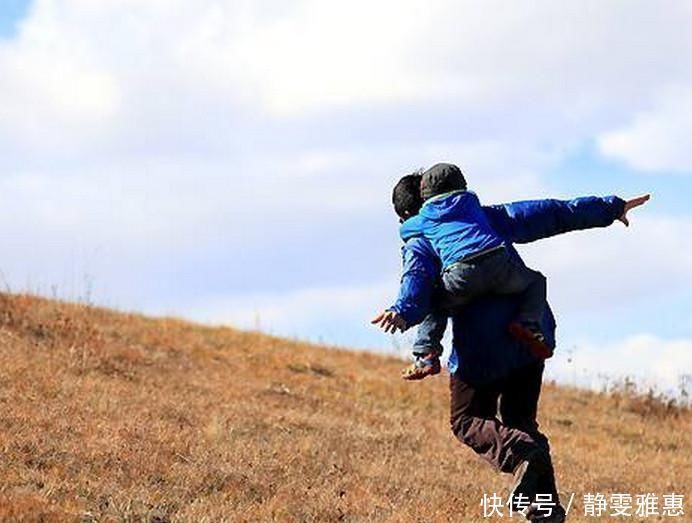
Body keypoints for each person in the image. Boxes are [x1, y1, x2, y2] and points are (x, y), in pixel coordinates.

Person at [372, 173, 650, 521]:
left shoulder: (419, 237)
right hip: (529, 340)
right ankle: (544, 512)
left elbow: (417, 286)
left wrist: (407, 322)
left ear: (409, 215)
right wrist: (611, 208)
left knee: (468, 420)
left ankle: (522, 459)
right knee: (521, 422)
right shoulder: (485, 217)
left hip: (482, 352)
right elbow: (551, 212)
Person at [382, 163, 552, 380]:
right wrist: (608, 207)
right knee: (535, 280)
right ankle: (528, 322)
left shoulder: (421, 227)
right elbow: (552, 211)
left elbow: (415, 277)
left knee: (434, 302)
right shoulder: (476, 208)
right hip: (499, 265)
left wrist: (402, 309)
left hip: (462, 277)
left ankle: (426, 354)